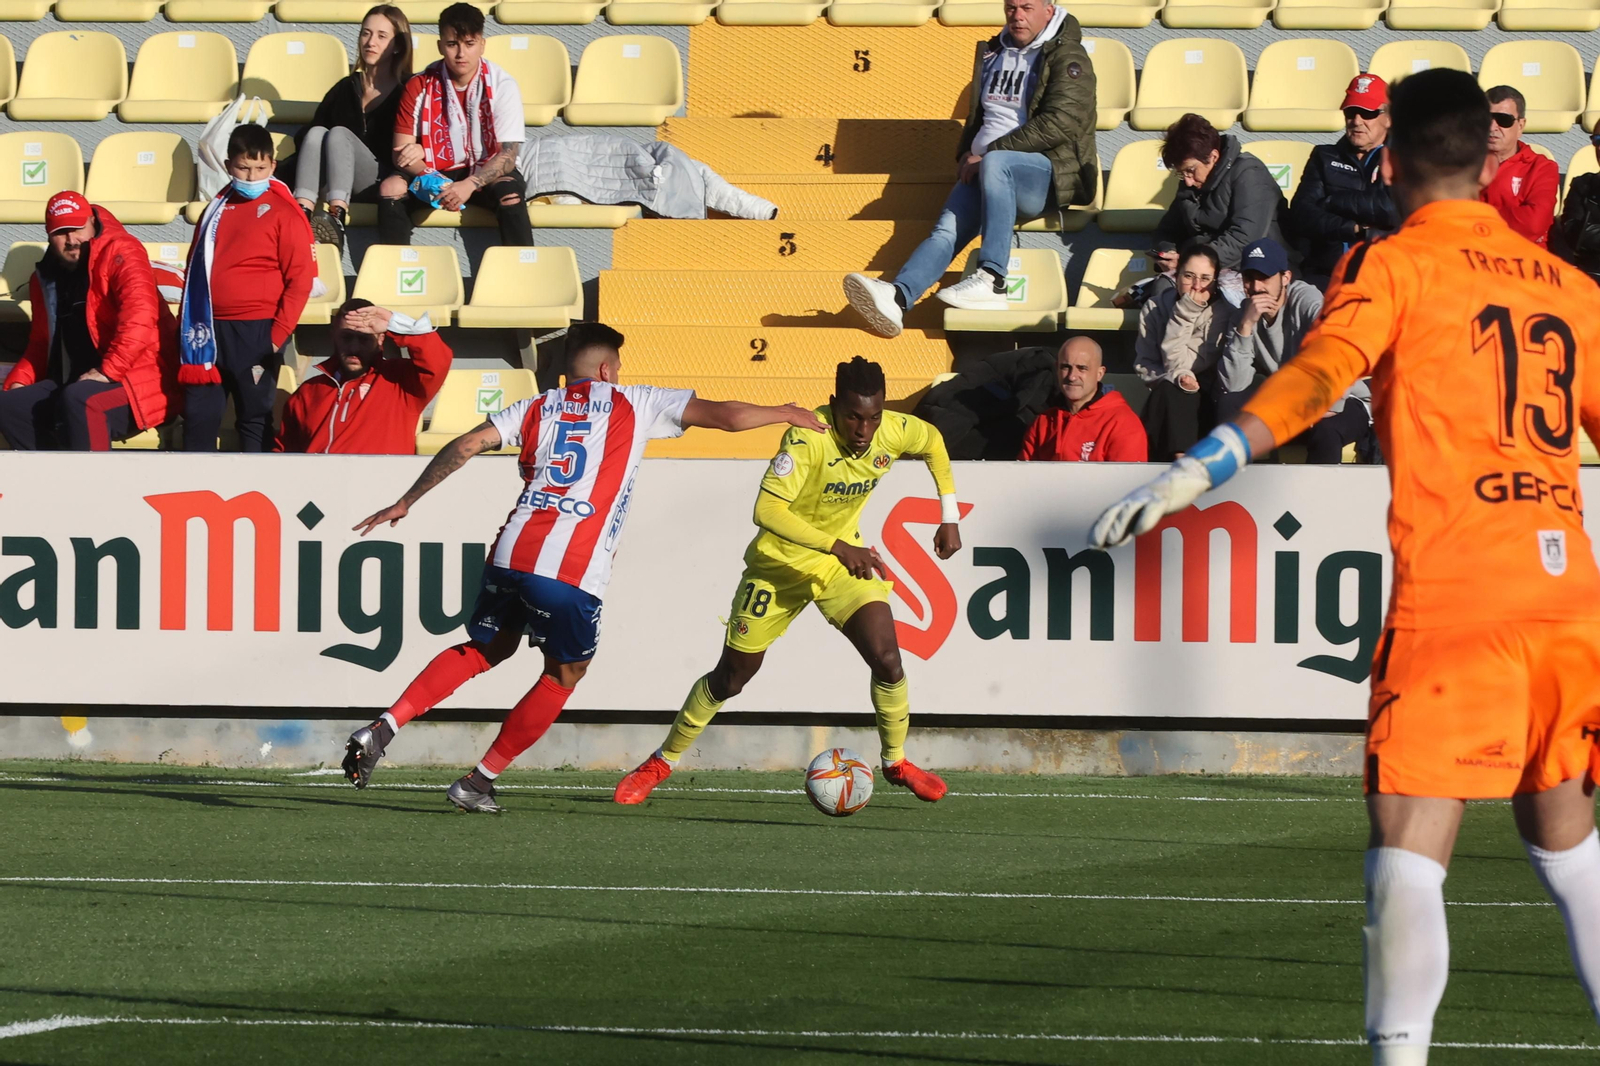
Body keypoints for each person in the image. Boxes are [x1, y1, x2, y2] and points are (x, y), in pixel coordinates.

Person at [1089, 68, 1600, 1065]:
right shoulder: (1570, 288)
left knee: (1407, 856)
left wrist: (1206, 461)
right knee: (1572, 853)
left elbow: (1321, 373)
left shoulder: (1394, 264)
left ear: (1392, 159)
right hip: (1566, 595)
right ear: (1486, 157)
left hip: (1457, 590)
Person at [341, 323, 827, 812]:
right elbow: (726, 416)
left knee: (488, 647)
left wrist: (406, 501)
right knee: (565, 672)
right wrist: (784, 412)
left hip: (511, 552)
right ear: (606, 369)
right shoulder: (636, 401)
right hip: (570, 568)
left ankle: (385, 726)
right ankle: (477, 782)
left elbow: (465, 445)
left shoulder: (534, 406)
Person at [613, 357, 963, 805]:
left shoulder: (892, 430)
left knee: (888, 659)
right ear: (833, 405)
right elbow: (766, 511)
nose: (864, 430)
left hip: (838, 566)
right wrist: (838, 546)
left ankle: (895, 761)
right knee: (732, 678)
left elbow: (932, 441)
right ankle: (662, 761)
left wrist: (949, 515)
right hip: (778, 569)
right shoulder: (806, 438)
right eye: (853, 417)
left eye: (873, 417)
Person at [841, 0, 1096, 335]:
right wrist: (965, 152)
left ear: (1049, 10)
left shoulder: (1069, 56)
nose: (1017, 16)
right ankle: (899, 297)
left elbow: (1060, 123)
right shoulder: (994, 50)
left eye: (1027, 7)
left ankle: (993, 279)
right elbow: (981, 115)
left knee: (998, 164)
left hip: (1047, 176)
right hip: (989, 169)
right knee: (946, 229)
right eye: (1011, 7)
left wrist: (988, 153)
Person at [0, 192, 179, 449]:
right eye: (61, 232)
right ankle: (53, 473)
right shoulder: (44, 279)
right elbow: (41, 342)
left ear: (92, 223)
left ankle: (94, 477)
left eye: (77, 229)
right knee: (9, 405)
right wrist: (20, 381)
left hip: (142, 381)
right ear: (48, 235)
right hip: (80, 381)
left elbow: (139, 319)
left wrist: (107, 371)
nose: (72, 240)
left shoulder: (123, 252)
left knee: (82, 400)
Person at [180, 124, 315, 452]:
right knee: (198, 416)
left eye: (260, 168)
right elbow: (196, 267)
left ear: (272, 165)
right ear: (229, 166)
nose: (252, 176)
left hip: (256, 330)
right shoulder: (214, 210)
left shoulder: (284, 212)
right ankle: (194, 481)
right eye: (243, 168)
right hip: (207, 330)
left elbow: (301, 280)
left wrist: (275, 337)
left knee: (254, 418)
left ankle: (258, 483)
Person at [379, 2, 531, 248]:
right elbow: (400, 153)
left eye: (469, 44)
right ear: (440, 46)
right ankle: (394, 265)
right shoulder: (419, 84)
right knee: (391, 188)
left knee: (510, 196)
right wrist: (438, 181)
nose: (461, 54)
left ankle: (521, 266)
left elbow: (508, 155)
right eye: (452, 44)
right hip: (434, 169)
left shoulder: (503, 85)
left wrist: (469, 185)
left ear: (482, 44)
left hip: (486, 168)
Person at [1218, 237, 1370, 464]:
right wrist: (1246, 327)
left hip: (1343, 399)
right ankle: (1245, 483)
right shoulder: (1243, 315)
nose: (1256, 287)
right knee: (1230, 405)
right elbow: (1233, 385)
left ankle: (1319, 488)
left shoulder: (1305, 299)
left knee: (1326, 429)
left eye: (1264, 277)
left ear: (1286, 277)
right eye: (1249, 278)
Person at [292, 4, 412, 251]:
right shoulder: (346, 87)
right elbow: (311, 134)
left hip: (379, 179)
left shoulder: (408, 90)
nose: (370, 42)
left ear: (397, 46)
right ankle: (301, 214)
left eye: (381, 36)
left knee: (339, 134)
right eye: (366, 33)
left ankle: (337, 217)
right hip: (333, 178)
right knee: (316, 133)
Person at [273, 299, 451, 454]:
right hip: (319, 481)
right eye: (346, 337)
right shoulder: (308, 391)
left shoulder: (402, 381)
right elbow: (285, 453)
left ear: (381, 338)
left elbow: (438, 361)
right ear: (333, 335)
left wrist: (394, 322)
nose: (354, 347)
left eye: (364, 339)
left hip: (382, 481)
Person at [1291, 73, 1398, 289]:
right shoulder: (1324, 156)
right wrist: (1355, 228)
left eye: (1367, 113)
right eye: (1351, 112)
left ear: (1388, 118)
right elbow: (1302, 214)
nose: (1356, 121)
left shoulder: (1403, 158)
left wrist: (1331, 201)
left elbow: (1392, 209)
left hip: (1385, 274)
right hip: (1326, 274)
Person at [1153, 112, 1284, 286]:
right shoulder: (1189, 185)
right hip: (1203, 267)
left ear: (1213, 157)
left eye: (1191, 170)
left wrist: (1192, 263)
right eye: (1181, 173)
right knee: (1162, 289)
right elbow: (1167, 230)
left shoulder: (1250, 174)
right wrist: (1167, 253)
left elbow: (1244, 239)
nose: (1187, 180)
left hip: (1253, 272)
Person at [1134, 242, 1231, 461]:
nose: (1196, 286)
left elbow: (1181, 363)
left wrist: (1186, 311)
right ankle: (1180, 462)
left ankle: (1179, 462)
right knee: (1170, 389)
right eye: (1189, 276)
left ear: (1215, 282)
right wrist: (1174, 378)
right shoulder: (1154, 307)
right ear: (1176, 276)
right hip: (1162, 396)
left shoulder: (1222, 314)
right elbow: (1144, 365)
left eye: (1205, 279)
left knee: (1178, 392)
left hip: (1204, 401)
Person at [1017, 336, 1146, 461]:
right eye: (1065, 367)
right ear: (1057, 370)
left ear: (1100, 374)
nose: (1072, 376)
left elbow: (1127, 475)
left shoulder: (1123, 424)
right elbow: (1024, 473)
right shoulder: (1043, 422)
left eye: (1082, 368)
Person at [1481, 84, 1558, 248]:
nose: (1492, 127)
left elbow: (1533, 224)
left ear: (1521, 125)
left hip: (1523, 257)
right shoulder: (1462, 163)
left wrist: (1474, 217)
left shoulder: (1542, 168)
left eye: (1503, 120)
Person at [1550, 129, 1600, 283]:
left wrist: (1590, 230)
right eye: (1598, 140)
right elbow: (1575, 236)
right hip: (1592, 273)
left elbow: (1584, 232)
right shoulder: (1583, 184)